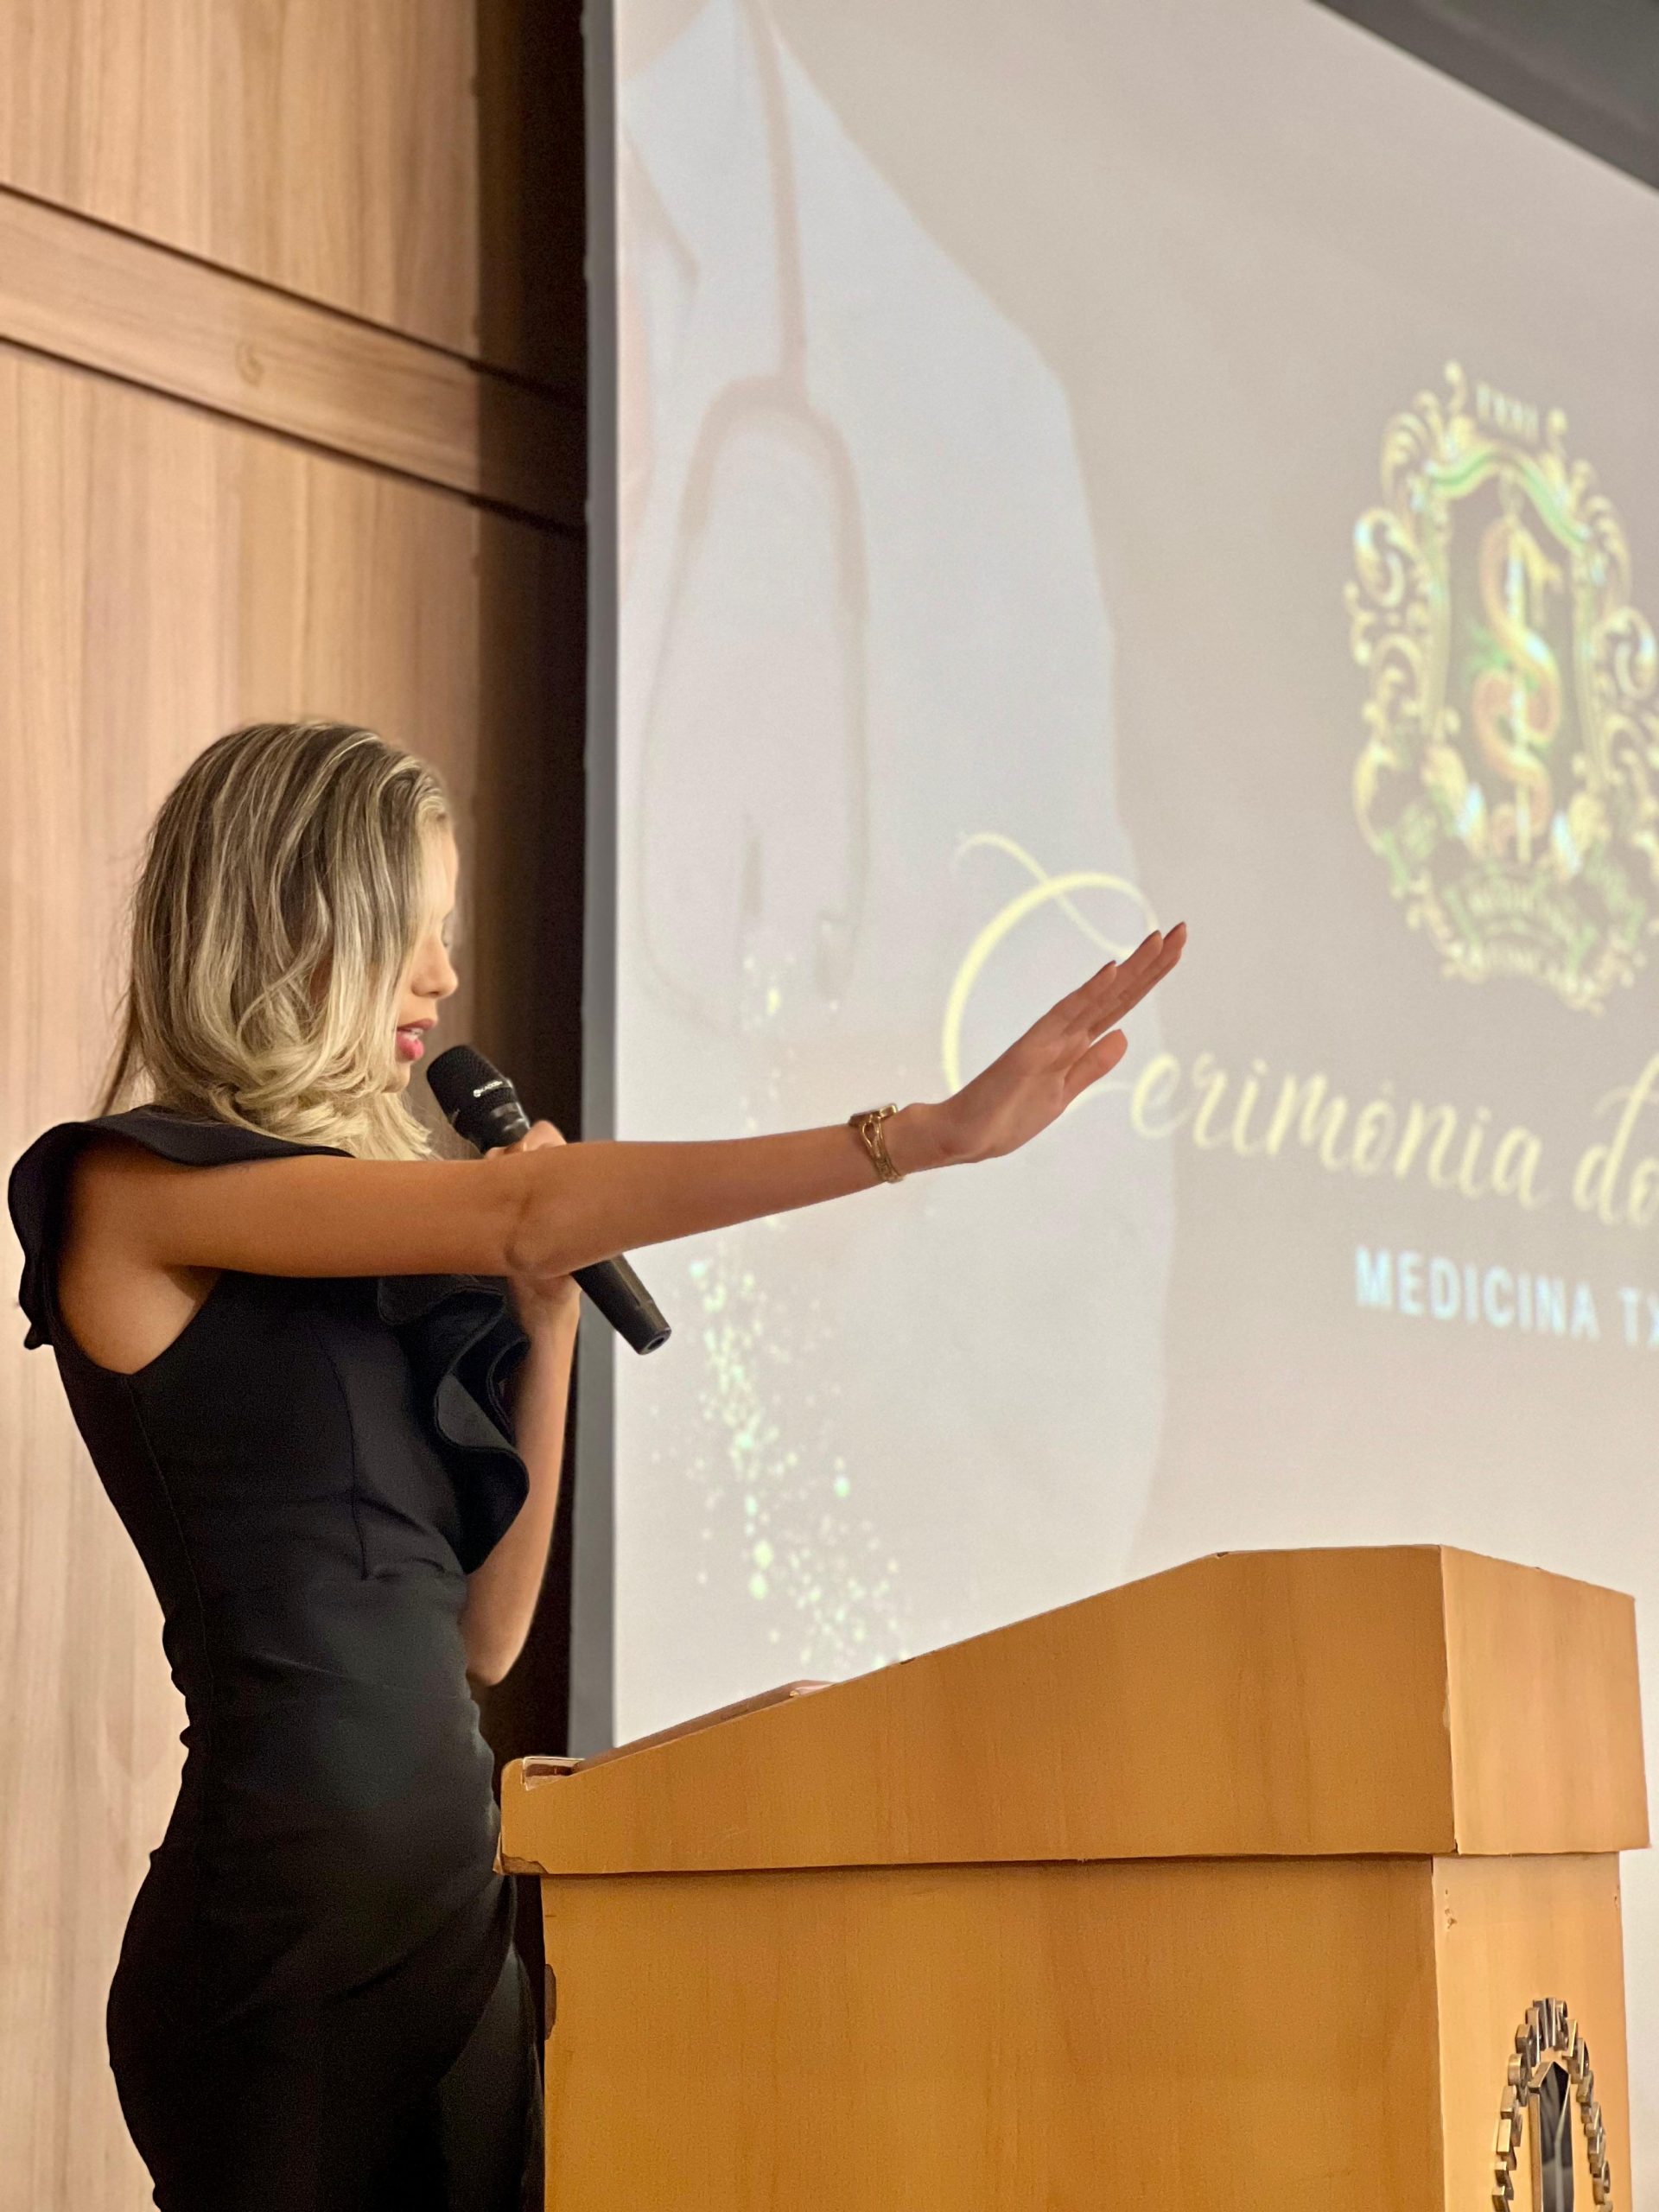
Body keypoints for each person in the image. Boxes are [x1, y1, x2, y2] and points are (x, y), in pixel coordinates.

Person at [6, 718, 1185, 2211]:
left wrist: (549, 1323)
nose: (443, 976)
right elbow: (521, 1210)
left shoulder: (365, 1246)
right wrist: (918, 1138)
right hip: (282, 1937)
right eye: (413, 928)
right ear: (298, 922)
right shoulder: (131, 1191)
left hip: (452, 1924)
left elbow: (483, 1638)